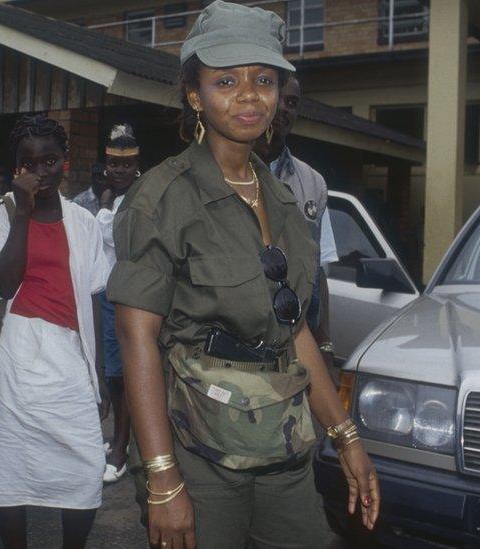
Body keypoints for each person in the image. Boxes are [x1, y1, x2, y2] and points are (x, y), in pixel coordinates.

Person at [107, 3, 380, 548]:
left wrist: (346, 436)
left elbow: (294, 330)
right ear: (195, 95)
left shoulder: (284, 199)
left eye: (264, 80)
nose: (249, 95)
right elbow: (135, 339)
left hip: (281, 440)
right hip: (194, 445)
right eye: (226, 80)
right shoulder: (161, 198)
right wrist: (162, 478)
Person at [0, 114, 109, 549]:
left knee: (85, 472)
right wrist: (24, 215)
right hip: (14, 358)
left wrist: (100, 375)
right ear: (16, 169)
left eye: (50, 160)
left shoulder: (83, 223)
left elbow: (92, 302)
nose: (40, 172)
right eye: (28, 164)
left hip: (70, 362)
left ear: (65, 163)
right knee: (10, 474)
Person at [260, 74, 339, 371]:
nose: (283, 109)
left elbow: (318, 271)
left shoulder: (313, 183)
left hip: (297, 342)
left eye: (291, 103)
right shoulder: (230, 172)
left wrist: (325, 344)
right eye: (277, 98)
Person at [97, 123, 140, 483]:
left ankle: (121, 446)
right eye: (114, 164)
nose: (119, 170)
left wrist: (107, 207)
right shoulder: (93, 197)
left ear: (136, 165)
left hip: (132, 296)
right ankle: (118, 438)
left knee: (125, 375)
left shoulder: (140, 199)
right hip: (106, 296)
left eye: (126, 165)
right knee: (111, 374)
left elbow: (113, 240)